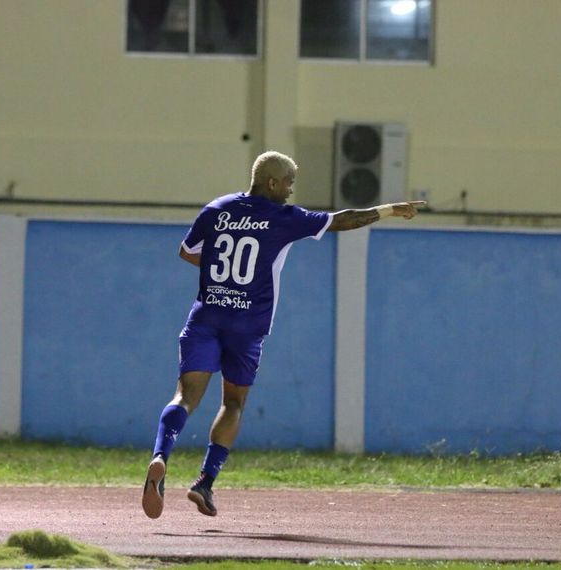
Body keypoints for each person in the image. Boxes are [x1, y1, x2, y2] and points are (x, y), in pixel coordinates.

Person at [142, 150, 424, 519]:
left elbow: (187, 252)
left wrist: (220, 271)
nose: (292, 190)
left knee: (185, 395)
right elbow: (343, 220)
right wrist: (390, 209)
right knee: (233, 402)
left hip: (207, 317)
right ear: (272, 182)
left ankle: (161, 456)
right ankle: (205, 482)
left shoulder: (216, 209)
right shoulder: (283, 218)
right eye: (289, 182)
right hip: (247, 326)